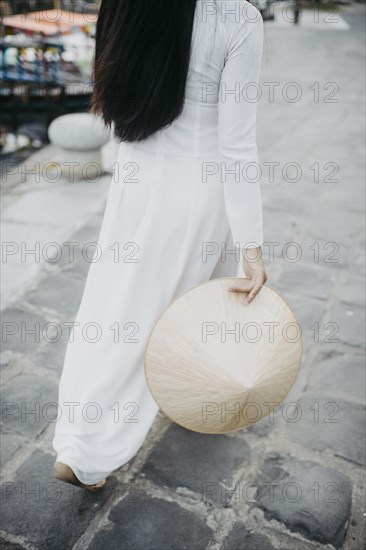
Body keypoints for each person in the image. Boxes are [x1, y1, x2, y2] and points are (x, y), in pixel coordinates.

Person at [52, 0, 268, 491]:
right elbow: (237, 145)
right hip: (198, 193)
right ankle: (91, 450)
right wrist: (252, 246)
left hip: (136, 182)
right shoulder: (238, 19)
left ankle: (81, 434)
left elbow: (115, 97)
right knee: (177, 312)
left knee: (112, 307)